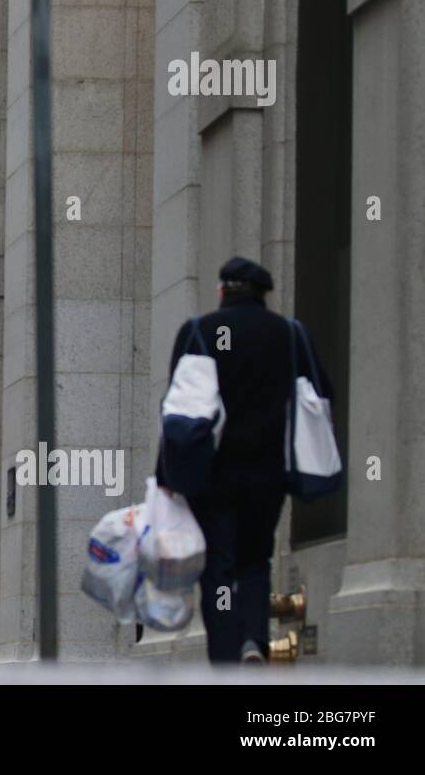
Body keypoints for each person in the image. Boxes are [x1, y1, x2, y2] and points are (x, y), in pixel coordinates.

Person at [157, 256, 333, 663]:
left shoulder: (200, 331)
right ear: (262, 294)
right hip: (268, 476)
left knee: (219, 569)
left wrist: (166, 475)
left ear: (222, 290)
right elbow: (321, 394)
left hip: (213, 477)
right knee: (256, 561)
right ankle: (254, 639)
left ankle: (226, 655)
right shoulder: (290, 335)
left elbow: (176, 411)